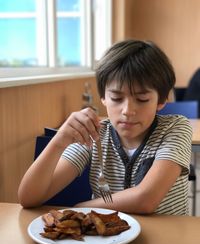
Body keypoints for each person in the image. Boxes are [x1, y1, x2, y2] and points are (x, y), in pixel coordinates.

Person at [18, 39, 192, 215]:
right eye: (116, 98)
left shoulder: (176, 128)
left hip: (166, 237)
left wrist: (82, 208)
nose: (127, 111)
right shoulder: (94, 134)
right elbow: (28, 198)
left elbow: (146, 199)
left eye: (142, 99)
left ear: (161, 101)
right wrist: (58, 141)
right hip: (108, 240)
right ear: (103, 98)